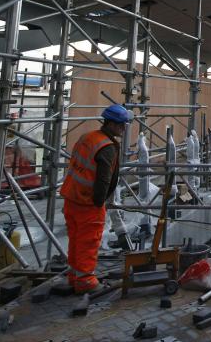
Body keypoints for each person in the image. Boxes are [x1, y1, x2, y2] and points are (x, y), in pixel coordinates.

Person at [60, 103, 131, 293]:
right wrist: (100, 202)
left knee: (75, 240)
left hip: (71, 197)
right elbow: (104, 179)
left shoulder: (88, 137)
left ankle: (74, 277)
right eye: (122, 125)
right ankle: (85, 281)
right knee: (88, 242)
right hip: (88, 202)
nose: (124, 129)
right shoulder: (106, 147)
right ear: (113, 125)